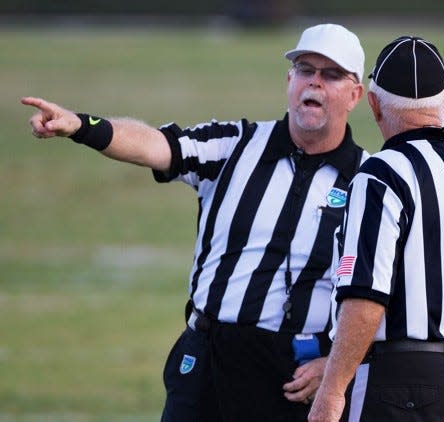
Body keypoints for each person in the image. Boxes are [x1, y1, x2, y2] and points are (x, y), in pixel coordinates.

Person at [22, 23, 368, 422]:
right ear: (290, 79)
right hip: (209, 356)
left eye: (331, 75)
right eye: (306, 70)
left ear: (355, 94)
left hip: (296, 374)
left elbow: (382, 295)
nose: (315, 83)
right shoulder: (234, 144)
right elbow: (156, 145)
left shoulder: (367, 179)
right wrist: (82, 126)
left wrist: (338, 366)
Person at [308, 36, 444, 422]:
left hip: (396, 385)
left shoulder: (379, 176)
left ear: (373, 104)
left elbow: (366, 298)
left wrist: (332, 389)